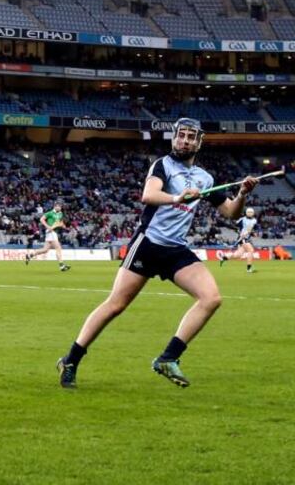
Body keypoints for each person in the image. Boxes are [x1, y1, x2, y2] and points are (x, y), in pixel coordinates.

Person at [56, 118, 259, 390]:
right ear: (173, 138)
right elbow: (148, 195)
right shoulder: (162, 165)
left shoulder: (205, 178)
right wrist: (177, 198)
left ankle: (168, 358)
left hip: (176, 249)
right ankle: (71, 360)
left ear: (199, 143)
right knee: (116, 305)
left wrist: (243, 194)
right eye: (181, 136)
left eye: (190, 137)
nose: (184, 141)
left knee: (211, 298)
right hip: (148, 244)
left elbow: (231, 212)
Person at [24, 203, 70, 271]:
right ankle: (61, 266)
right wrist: (48, 226)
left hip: (54, 232)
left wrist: (63, 226)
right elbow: (41, 219)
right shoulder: (50, 213)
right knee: (58, 248)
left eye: (60, 207)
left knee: (45, 250)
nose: (60, 208)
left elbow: (60, 222)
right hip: (51, 232)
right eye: (58, 206)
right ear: (55, 206)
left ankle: (30, 255)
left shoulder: (60, 214)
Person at [219, 207, 258, 273]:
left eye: (251, 212)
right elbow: (235, 226)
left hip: (246, 237)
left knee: (238, 255)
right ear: (246, 213)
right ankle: (249, 269)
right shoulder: (242, 219)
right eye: (249, 212)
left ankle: (224, 257)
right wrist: (238, 231)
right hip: (242, 238)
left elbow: (250, 229)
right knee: (251, 250)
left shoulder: (254, 220)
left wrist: (252, 233)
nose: (250, 213)